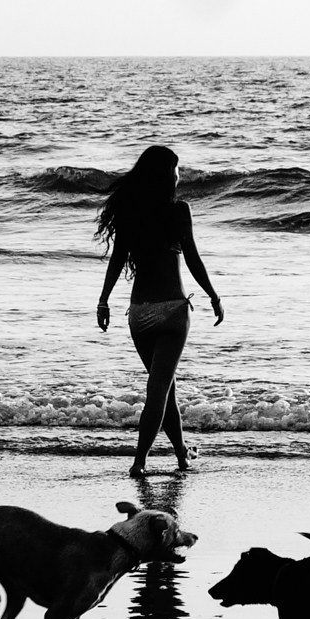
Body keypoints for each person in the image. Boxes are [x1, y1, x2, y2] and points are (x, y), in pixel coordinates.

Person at [95, 145, 223, 475]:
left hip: (138, 314)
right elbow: (192, 258)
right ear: (168, 174)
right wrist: (213, 295)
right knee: (159, 391)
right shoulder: (179, 210)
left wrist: (103, 300)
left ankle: (181, 454)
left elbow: (117, 258)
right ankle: (139, 462)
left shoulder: (129, 212)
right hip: (172, 312)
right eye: (177, 168)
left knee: (164, 389)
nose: (180, 174)